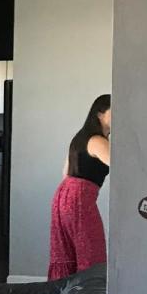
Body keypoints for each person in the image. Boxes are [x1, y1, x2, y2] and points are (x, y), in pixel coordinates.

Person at [48, 93, 111, 280]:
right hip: (79, 198)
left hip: (64, 195)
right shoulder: (98, 141)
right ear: (100, 114)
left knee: (66, 253)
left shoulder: (80, 138)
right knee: (91, 251)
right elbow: (123, 168)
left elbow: (65, 171)